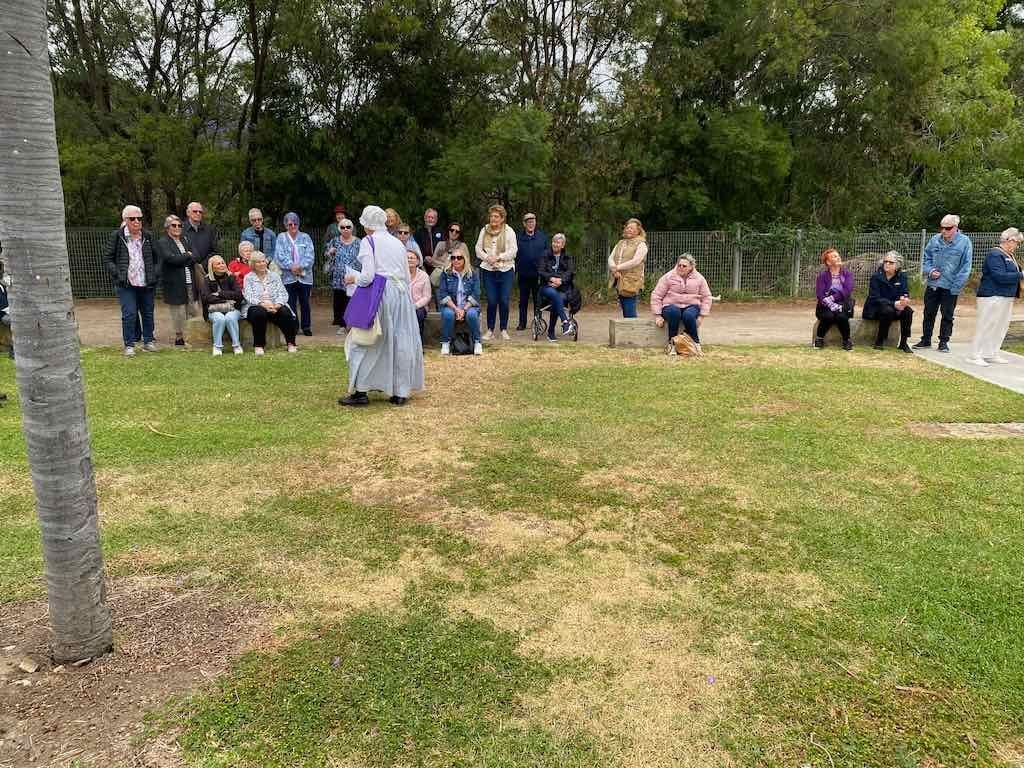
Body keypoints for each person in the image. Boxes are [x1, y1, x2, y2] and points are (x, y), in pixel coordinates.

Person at [339, 205, 425, 406]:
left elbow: (368, 276)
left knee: (365, 340)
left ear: (367, 224)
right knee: (399, 340)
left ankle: (360, 391)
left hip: (381, 294)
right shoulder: (397, 243)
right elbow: (404, 273)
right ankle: (400, 391)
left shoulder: (369, 242)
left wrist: (353, 277)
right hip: (401, 296)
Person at [104, 205, 158, 357]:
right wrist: (118, 274)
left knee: (148, 312)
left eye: (139, 218)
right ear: (125, 220)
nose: (136, 221)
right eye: (132, 218)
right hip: (126, 284)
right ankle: (129, 345)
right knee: (129, 313)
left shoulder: (148, 236)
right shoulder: (117, 236)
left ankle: (148, 341)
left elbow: (158, 258)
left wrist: (154, 274)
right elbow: (108, 259)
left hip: (146, 283)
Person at [914, 214, 973, 352]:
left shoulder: (964, 242)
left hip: (951, 286)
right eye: (942, 228)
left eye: (948, 228)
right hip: (933, 284)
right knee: (928, 313)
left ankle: (943, 342)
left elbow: (966, 266)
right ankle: (926, 340)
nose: (944, 231)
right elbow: (926, 257)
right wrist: (930, 270)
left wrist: (957, 286)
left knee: (947, 315)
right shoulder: (934, 240)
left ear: (955, 227)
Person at [966, 227, 1023, 366]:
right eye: (1018, 243)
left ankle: (991, 352)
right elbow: (1000, 276)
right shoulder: (995, 254)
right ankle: (975, 354)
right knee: (987, 324)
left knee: (1000, 325)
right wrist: (1021, 274)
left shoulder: (1010, 256)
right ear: (1010, 240)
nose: (1018, 246)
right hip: (992, 295)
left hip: (1006, 296)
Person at [650, 254, 712, 354]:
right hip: (670, 305)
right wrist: (657, 316)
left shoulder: (699, 278)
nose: (681, 268)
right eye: (679, 265)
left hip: (691, 305)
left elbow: (706, 297)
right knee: (674, 312)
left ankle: (696, 344)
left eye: (684, 266)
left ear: (691, 267)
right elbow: (656, 295)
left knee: (689, 315)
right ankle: (672, 345)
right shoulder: (668, 276)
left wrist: (701, 317)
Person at [155, 214, 201, 347]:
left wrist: (182, 258)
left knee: (193, 308)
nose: (177, 228)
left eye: (179, 225)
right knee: (179, 311)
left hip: (190, 280)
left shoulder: (186, 239)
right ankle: (179, 338)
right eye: (173, 225)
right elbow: (170, 259)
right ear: (167, 228)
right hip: (174, 282)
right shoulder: (163, 242)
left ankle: (192, 336)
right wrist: (187, 255)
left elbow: (197, 255)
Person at [242, 251, 298, 355]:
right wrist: (263, 304)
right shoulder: (248, 277)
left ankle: (291, 343)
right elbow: (248, 296)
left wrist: (277, 305)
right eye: (258, 262)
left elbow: (283, 293)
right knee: (259, 313)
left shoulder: (274, 276)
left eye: (263, 261)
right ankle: (259, 345)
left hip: (274, 305)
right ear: (253, 264)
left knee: (285, 312)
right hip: (256, 306)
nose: (262, 264)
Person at [475, 204, 517, 340]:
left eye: (496, 216)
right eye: (491, 216)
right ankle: (490, 330)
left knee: (504, 300)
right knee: (492, 301)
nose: (493, 219)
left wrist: (498, 257)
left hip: (505, 269)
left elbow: (513, 250)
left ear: (502, 218)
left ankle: (503, 329)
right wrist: (488, 258)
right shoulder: (484, 230)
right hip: (488, 269)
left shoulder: (509, 231)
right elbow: (478, 248)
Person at [863, 251, 913, 353]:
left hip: (895, 306)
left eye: (891, 262)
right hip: (875, 308)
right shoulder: (876, 277)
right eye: (885, 261)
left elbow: (905, 292)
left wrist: (904, 300)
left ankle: (903, 343)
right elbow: (875, 298)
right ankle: (879, 341)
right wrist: (894, 304)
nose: (887, 264)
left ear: (897, 265)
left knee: (908, 311)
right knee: (887, 310)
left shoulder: (902, 276)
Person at [274, 211, 315, 336]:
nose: (292, 226)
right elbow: (279, 255)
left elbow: (310, 255)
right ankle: (294, 326)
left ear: (298, 224)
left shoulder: (305, 237)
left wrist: (300, 266)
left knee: (305, 303)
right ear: (286, 225)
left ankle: (306, 326)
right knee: (291, 303)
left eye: (295, 224)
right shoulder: (281, 237)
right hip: (288, 276)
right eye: (290, 224)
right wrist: (291, 266)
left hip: (304, 276)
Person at [437, 246, 483, 356]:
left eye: (459, 258)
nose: (456, 260)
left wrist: (464, 309)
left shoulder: (473, 273)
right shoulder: (445, 273)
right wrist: (456, 309)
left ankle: (477, 342)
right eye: (453, 258)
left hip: (469, 306)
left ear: (464, 259)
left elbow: (476, 293)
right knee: (448, 314)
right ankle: (446, 342)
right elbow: (443, 294)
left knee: (471, 315)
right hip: (451, 306)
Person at [536, 233, 578, 341]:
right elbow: (541, 271)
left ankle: (552, 332)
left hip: (562, 287)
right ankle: (564, 322)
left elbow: (570, 272)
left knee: (557, 298)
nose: (555, 244)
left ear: (563, 245)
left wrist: (560, 281)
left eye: (558, 242)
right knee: (554, 294)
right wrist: (552, 279)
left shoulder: (567, 257)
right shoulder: (544, 255)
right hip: (546, 286)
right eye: (554, 242)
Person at [200, 256, 243, 355]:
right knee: (219, 318)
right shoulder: (207, 280)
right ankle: (217, 346)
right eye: (218, 264)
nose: (222, 265)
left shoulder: (231, 277)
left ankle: (236, 345)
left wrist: (220, 294)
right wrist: (227, 298)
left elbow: (239, 295)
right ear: (212, 267)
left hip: (232, 309)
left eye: (223, 263)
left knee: (230, 317)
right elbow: (206, 298)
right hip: (213, 310)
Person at [325, 217, 361, 334]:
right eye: (342, 227)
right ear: (339, 229)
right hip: (338, 276)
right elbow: (327, 254)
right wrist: (330, 252)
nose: (345, 229)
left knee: (352, 300)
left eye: (348, 227)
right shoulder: (335, 241)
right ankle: (342, 324)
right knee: (340, 300)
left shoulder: (359, 242)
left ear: (352, 228)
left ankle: (352, 324)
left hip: (354, 276)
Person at [813, 248, 854, 350]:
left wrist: (831, 298)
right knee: (828, 316)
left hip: (842, 303)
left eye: (838, 255)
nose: (838, 257)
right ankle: (819, 339)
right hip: (825, 305)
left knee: (841, 317)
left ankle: (847, 340)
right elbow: (820, 295)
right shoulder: (822, 276)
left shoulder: (847, 274)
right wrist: (829, 303)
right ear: (828, 262)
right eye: (834, 256)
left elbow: (847, 290)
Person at [608, 218, 648, 318]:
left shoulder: (642, 244)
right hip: (618, 279)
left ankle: (634, 332)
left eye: (632, 228)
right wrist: (613, 268)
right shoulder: (620, 242)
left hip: (632, 282)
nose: (629, 229)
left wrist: (617, 268)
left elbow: (636, 261)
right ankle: (629, 332)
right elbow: (611, 258)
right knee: (625, 309)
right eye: (627, 227)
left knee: (629, 311)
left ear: (638, 230)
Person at [515, 212, 548, 330]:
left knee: (537, 300)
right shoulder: (518, 238)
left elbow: (547, 255)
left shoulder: (542, 237)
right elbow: (515, 255)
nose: (531, 224)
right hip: (523, 274)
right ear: (524, 224)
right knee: (523, 300)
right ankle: (522, 323)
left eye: (533, 222)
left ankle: (537, 323)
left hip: (538, 275)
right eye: (528, 222)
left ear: (535, 223)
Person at [430, 223, 470, 301]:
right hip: (441, 278)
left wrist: (452, 265)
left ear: (459, 234)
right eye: (452, 230)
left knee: (455, 303)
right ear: (448, 231)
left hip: (457, 278)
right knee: (441, 303)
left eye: (457, 231)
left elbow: (467, 262)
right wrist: (445, 265)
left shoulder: (463, 246)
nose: (454, 233)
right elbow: (433, 261)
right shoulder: (441, 244)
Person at [183, 201, 219, 268]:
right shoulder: (180, 229)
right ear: (188, 212)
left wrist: (203, 265)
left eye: (200, 212)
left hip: (206, 269)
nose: (198, 213)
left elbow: (214, 251)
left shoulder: (209, 230)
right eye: (195, 211)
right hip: (186, 268)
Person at [407, 250, 432, 339]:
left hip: (419, 306)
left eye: (412, 258)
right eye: (407, 258)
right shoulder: (399, 275)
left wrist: (415, 306)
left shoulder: (424, 276)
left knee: (419, 314)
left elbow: (427, 296)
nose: (409, 260)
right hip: (402, 306)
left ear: (418, 261)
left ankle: (418, 344)